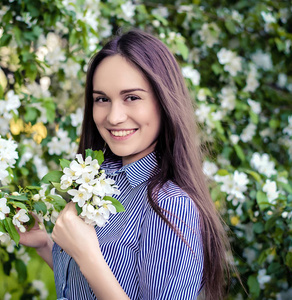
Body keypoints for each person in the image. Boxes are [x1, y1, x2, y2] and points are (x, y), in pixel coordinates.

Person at [19, 29, 232, 300]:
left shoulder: (169, 205)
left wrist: (88, 256)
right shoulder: (99, 180)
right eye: (102, 99)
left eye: (132, 97)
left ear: (163, 102)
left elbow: (96, 266)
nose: (114, 117)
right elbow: (86, 290)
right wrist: (46, 245)